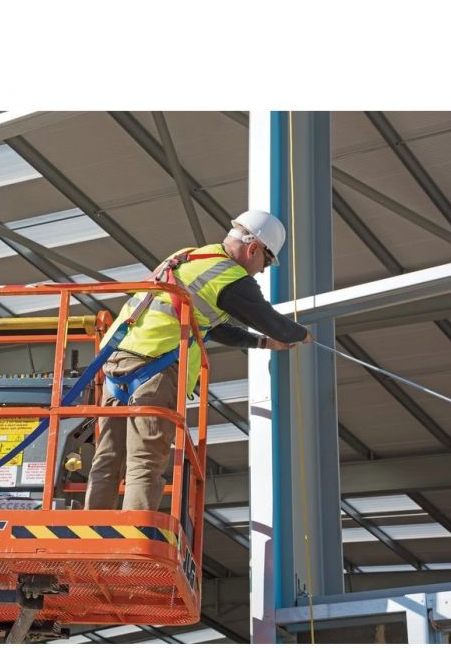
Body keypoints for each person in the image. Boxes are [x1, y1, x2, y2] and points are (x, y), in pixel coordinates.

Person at [84, 209, 313, 511]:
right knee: (145, 461)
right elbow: (272, 322)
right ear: (254, 249)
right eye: (266, 262)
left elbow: (210, 326)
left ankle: (92, 526)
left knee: (107, 458)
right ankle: (133, 539)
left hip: (116, 362)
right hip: (155, 367)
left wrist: (262, 343)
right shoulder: (231, 276)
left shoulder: (188, 257)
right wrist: (302, 334)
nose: (261, 271)